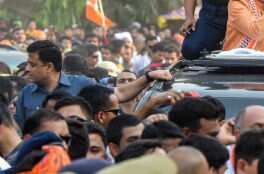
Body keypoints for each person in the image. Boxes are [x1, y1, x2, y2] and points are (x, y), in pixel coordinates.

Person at [17, 40, 160, 126]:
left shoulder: (83, 84)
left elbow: (119, 93)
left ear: (48, 67)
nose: (27, 69)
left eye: (32, 65)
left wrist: (148, 77)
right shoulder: (26, 93)